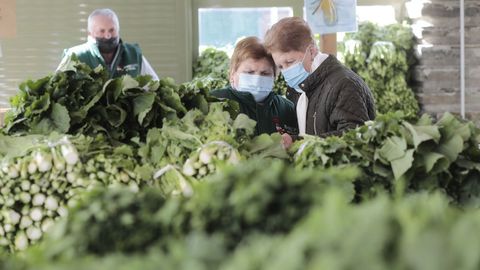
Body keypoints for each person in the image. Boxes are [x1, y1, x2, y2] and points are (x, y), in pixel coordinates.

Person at [263, 17, 375, 148]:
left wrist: (297, 142)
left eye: (290, 62)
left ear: (311, 51)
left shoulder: (344, 84)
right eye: (281, 67)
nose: (287, 71)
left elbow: (354, 136)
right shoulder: (299, 87)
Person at [210, 37, 297, 136]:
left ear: (275, 77)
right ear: (232, 74)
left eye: (265, 73)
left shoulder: (286, 108)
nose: (257, 80)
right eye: (249, 72)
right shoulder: (214, 102)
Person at [57, 8, 159, 80]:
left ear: (118, 30)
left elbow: (154, 85)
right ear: (90, 33)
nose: (108, 36)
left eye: (112, 30)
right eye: (102, 31)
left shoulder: (133, 54)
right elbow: (56, 87)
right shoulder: (75, 55)